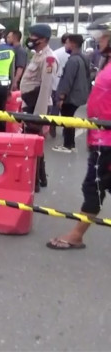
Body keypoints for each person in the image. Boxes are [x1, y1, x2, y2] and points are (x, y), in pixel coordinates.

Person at [46, 18, 111, 250]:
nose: (99, 40)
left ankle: (76, 235)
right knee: (97, 185)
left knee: (94, 187)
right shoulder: (105, 63)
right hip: (100, 137)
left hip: (107, 141)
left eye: (104, 36)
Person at [20, 24, 58, 193]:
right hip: (30, 103)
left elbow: (45, 88)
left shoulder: (48, 59)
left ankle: (34, 180)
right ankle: (40, 178)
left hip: (37, 105)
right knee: (34, 143)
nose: (30, 39)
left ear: (43, 39)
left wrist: (39, 116)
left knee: (33, 144)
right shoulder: (37, 55)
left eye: (33, 36)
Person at [52, 34, 90, 153]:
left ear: (72, 44)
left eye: (67, 43)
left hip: (71, 97)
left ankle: (68, 144)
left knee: (67, 118)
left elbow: (67, 80)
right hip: (79, 94)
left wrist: (61, 97)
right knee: (70, 118)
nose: (65, 45)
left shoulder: (73, 60)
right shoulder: (83, 58)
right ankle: (70, 143)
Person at [50, 33, 71, 138]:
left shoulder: (55, 53)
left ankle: (52, 125)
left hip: (56, 82)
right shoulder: (72, 54)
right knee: (67, 108)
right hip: (68, 83)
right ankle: (66, 129)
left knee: (55, 106)